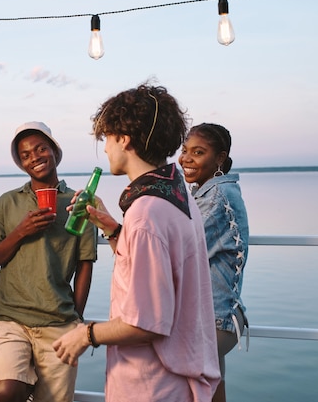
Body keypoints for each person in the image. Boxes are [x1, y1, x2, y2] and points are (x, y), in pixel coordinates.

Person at [52, 84, 221, 401]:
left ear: (124, 139)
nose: (105, 149)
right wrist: (114, 230)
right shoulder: (177, 195)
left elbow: (147, 324)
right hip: (179, 381)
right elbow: (157, 272)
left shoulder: (145, 214)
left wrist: (85, 334)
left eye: (107, 139)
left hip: (151, 386)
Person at [0, 121, 98, 402]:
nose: (34, 157)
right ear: (21, 164)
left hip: (59, 322)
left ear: (55, 152)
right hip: (13, 318)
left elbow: (85, 265)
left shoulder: (79, 203)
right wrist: (21, 232)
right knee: (6, 392)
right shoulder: (6, 203)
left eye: (40, 148)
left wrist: (77, 321)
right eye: (25, 155)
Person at [179, 123, 249, 402]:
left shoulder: (216, 198)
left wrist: (115, 230)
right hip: (218, 316)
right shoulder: (211, 193)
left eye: (198, 152)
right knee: (212, 393)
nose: (186, 159)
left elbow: (177, 252)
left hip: (213, 321)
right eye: (185, 151)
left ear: (219, 158)